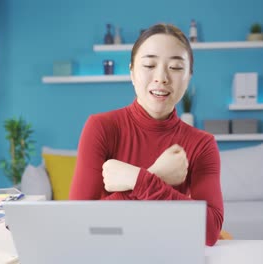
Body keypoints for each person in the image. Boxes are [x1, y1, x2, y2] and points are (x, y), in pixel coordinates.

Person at [69, 23, 224, 246]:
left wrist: (138, 179)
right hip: (108, 252)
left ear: (189, 76)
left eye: (176, 68)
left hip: (171, 252)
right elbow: (78, 221)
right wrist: (156, 175)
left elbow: (210, 230)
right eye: (149, 64)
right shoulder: (101, 127)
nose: (161, 77)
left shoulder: (202, 144)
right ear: (132, 72)